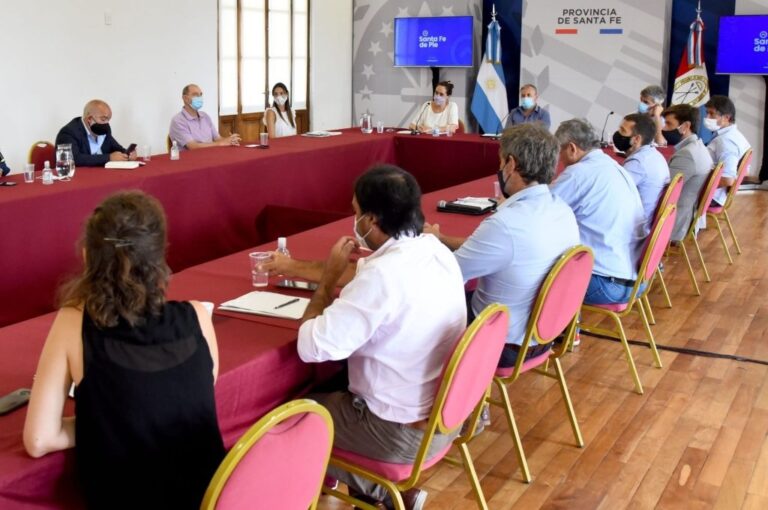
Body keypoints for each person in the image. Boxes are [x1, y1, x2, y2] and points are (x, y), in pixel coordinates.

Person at [264, 165, 466, 509]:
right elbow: (358, 274)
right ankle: (380, 494)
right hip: (445, 420)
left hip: (397, 435)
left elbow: (311, 346)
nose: (354, 221)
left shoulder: (382, 276)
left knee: (282, 418)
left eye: (356, 212)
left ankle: (376, 490)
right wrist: (292, 266)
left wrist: (326, 284)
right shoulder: (435, 252)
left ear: (371, 220)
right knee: (332, 390)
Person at [23, 191, 225, 510]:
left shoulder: (73, 322)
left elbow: (39, 440)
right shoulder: (198, 316)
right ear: (159, 256)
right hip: (206, 500)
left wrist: (104, 420)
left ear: (88, 256)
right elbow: (187, 395)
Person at [425, 124, 578, 367]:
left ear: (511, 164)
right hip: (544, 336)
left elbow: (448, 275)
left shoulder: (505, 225)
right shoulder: (563, 210)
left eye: (500, 162)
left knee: (421, 308)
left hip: (500, 343)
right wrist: (442, 238)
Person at [551, 119, 646, 305]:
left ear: (572, 148)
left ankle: (567, 323)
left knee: (532, 278)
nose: (559, 159)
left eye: (559, 151)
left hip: (606, 283)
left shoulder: (579, 173)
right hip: (636, 278)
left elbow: (539, 211)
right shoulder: (613, 165)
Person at [662, 104, 714, 242]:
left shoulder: (687, 155)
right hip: (685, 215)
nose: (664, 128)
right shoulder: (698, 146)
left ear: (685, 126)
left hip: (673, 223)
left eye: (669, 124)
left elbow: (663, 192)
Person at [614, 113, 670, 233]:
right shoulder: (655, 155)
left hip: (632, 230)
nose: (618, 133)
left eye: (623, 130)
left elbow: (611, 195)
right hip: (645, 223)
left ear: (636, 139)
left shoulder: (637, 164)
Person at [55, 100, 136, 167]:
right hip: (80, 177)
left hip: (103, 175)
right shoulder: (69, 132)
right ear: (89, 119)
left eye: (108, 120)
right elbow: (73, 159)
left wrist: (128, 154)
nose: (106, 124)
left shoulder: (105, 130)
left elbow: (116, 148)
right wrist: (109, 158)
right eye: (103, 119)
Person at [704, 95, 751, 206]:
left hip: (712, 197)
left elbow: (728, 180)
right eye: (707, 113)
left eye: (711, 114)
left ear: (726, 117)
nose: (707, 117)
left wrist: (702, 189)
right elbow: (746, 172)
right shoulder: (735, 135)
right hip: (718, 195)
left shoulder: (726, 142)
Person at [169, 83, 241, 149]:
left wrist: (229, 140)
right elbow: (193, 146)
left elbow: (217, 139)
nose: (199, 98)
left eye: (200, 95)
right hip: (190, 158)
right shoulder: (178, 121)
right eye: (195, 95)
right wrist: (220, 144)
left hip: (210, 155)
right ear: (185, 98)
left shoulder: (205, 116)